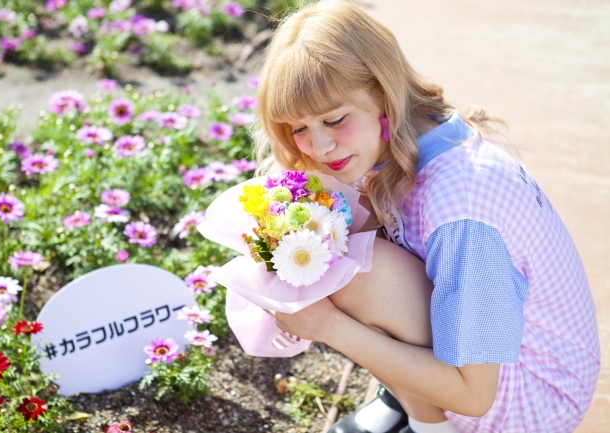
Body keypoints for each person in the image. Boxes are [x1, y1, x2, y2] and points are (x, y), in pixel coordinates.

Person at [254, 1, 601, 432]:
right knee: (333, 239)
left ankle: (430, 427)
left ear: (383, 94)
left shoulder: (461, 213)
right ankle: (408, 400)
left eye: (335, 119)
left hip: (531, 403)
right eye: (298, 128)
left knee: (360, 275)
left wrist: (326, 325)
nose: (319, 146)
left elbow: (474, 395)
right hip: (512, 363)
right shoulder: (413, 135)